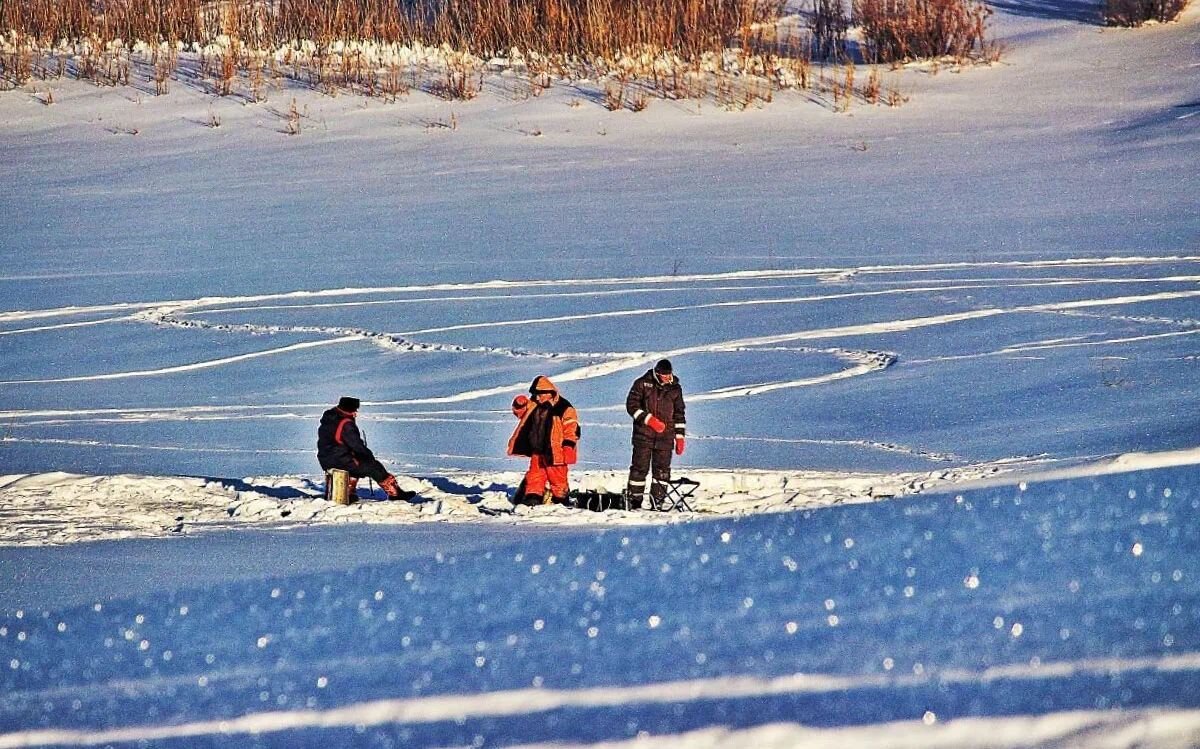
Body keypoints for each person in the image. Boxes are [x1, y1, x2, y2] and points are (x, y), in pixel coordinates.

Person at [317, 396, 411, 500]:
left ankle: (348, 492)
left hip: (326, 459)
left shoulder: (331, 418)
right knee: (374, 467)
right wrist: (369, 457)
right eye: (355, 410)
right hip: (340, 459)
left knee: (357, 462)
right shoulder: (346, 423)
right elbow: (356, 445)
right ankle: (396, 494)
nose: (356, 413)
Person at [507, 376, 580, 505]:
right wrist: (519, 404)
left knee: (558, 479)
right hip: (538, 450)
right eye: (535, 395)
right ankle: (532, 501)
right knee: (534, 477)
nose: (537, 397)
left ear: (548, 393)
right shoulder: (534, 405)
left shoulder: (564, 407)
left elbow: (571, 428)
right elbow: (520, 413)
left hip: (555, 452)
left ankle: (561, 502)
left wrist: (568, 446)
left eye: (539, 395)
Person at [625, 359, 686, 507]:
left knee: (662, 472)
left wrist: (680, 437)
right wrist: (649, 420)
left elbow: (679, 414)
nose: (666, 378)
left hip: (665, 438)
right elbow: (631, 406)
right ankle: (634, 502)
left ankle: (657, 502)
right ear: (657, 373)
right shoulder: (641, 383)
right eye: (663, 375)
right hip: (643, 436)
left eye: (668, 375)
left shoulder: (675, 389)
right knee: (639, 470)